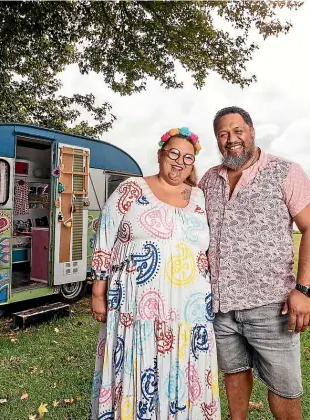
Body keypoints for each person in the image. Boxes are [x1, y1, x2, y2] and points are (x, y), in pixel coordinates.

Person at [198, 107, 310, 420]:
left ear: (252, 132)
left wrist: (305, 290)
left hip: (271, 306)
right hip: (220, 306)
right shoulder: (209, 180)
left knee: (284, 388)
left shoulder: (285, 171)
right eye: (223, 134)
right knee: (234, 372)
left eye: (238, 131)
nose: (232, 140)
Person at [90, 127, 221, 420]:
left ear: (193, 163)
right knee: (140, 366)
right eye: (173, 153)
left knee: (184, 371)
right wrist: (98, 292)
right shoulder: (132, 189)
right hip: (137, 308)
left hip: (191, 310)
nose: (179, 162)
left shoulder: (200, 197)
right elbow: (104, 237)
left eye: (187, 158)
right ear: (160, 153)